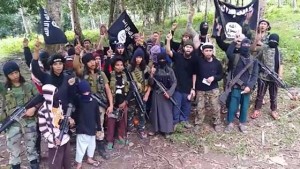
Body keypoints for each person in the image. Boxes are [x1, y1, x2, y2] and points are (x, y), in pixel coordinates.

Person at [0, 61, 40, 169]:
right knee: (14, 152)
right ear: (7, 76)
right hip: (12, 124)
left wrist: (34, 108)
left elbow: (40, 98)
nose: (14, 76)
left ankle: (34, 165)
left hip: (29, 122)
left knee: (31, 148)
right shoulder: (4, 89)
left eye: (16, 72)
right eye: (11, 74)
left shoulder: (28, 85)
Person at [73, 52, 113, 159]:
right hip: (86, 105)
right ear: (85, 63)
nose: (92, 63)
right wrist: (77, 54)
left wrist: (111, 105)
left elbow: (107, 89)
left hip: (100, 104)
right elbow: (75, 67)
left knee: (99, 123)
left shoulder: (101, 74)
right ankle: (88, 147)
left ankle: (100, 145)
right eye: (89, 61)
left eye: (93, 60)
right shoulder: (82, 74)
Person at [225, 38, 259, 133]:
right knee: (232, 105)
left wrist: (250, 86)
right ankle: (230, 122)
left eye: (248, 45)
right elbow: (228, 52)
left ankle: (242, 123)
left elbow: (255, 75)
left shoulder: (254, 60)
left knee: (244, 106)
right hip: (236, 86)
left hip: (247, 87)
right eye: (244, 45)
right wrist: (234, 42)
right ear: (241, 46)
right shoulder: (235, 57)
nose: (246, 47)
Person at [165, 32, 196, 129]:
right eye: (187, 47)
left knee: (186, 106)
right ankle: (175, 122)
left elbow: (194, 75)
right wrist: (169, 40)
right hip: (177, 87)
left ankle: (184, 121)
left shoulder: (194, 60)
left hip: (188, 87)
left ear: (192, 49)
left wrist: (193, 88)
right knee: (176, 105)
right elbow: (168, 51)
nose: (188, 49)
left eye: (190, 47)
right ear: (184, 48)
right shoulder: (178, 56)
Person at [38, 84, 72, 169]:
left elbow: (61, 116)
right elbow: (42, 128)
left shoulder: (58, 104)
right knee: (55, 164)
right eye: (54, 94)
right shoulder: (43, 110)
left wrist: (68, 119)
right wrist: (52, 139)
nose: (57, 96)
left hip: (65, 137)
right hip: (55, 142)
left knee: (67, 162)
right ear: (49, 96)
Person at [252, 33, 283, 120]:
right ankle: (257, 109)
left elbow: (281, 64)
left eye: (275, 41)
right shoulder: (264, 48)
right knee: (260, 94)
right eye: (271, 41)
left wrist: (280, 75)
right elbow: (254, 50)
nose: (273, 42)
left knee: (273, 95)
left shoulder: (279, 51)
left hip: (274, 77)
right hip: (263, 76)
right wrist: (257, 38)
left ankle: (273, 110)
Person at [193, 42, 223, 131]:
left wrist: (214, 77)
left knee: (215, 106)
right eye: (206, 51)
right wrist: (194, 87)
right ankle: (198, 123)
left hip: (213, 88)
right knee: (199, 107)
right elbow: (194, 74)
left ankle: (217, 123)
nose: (208, 52)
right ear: (203, 51)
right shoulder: (198, 61)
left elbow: (221, 75)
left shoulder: (217, 63)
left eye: (210, 50)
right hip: (200, 89)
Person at [148, 53, 177, 138]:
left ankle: (167, 130)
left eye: (163, 59)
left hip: (166, 94)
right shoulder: (155, 69)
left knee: (166, 113)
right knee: (155, 112)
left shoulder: (169, 70)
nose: (162, 61)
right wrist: (151, 75)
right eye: (160, 60)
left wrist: (169, 93)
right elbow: (151, 83)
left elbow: (174, 82)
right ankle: (156, 129)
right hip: (156, 93)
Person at [106, 57, 132, 150]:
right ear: (113, 66)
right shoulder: (109, 75)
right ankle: (110, 141)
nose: (119, 67)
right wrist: (108, 57)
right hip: (112, 104)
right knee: (111, 122)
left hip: (123, 103)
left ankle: (121, 137)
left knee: (122, 122)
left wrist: (126, 101)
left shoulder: (127, 76)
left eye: (121, 65)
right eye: (117, 65)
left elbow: (131, 90)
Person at [75, 80, 101, 169]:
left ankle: (89, 159)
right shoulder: (79, 101)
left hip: (91, 127)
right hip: (82, 128)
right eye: (84, 92)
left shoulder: (93, 102)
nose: (86, 93)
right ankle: (79, 163)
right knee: (81, 147)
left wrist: (99, 128)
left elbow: (97, 115)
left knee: (91, 145)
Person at [127, 48, 151, 138]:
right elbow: (126, 80)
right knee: (131, 111)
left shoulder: (145, 69)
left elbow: (150, 83)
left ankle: (141, 128)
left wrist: (147, 94)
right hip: (132, 93)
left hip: (142, 93)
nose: (138, 59)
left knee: (142, 111)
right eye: (137, 57)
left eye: (140, 57)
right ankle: (130, 127)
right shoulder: (130, 68)